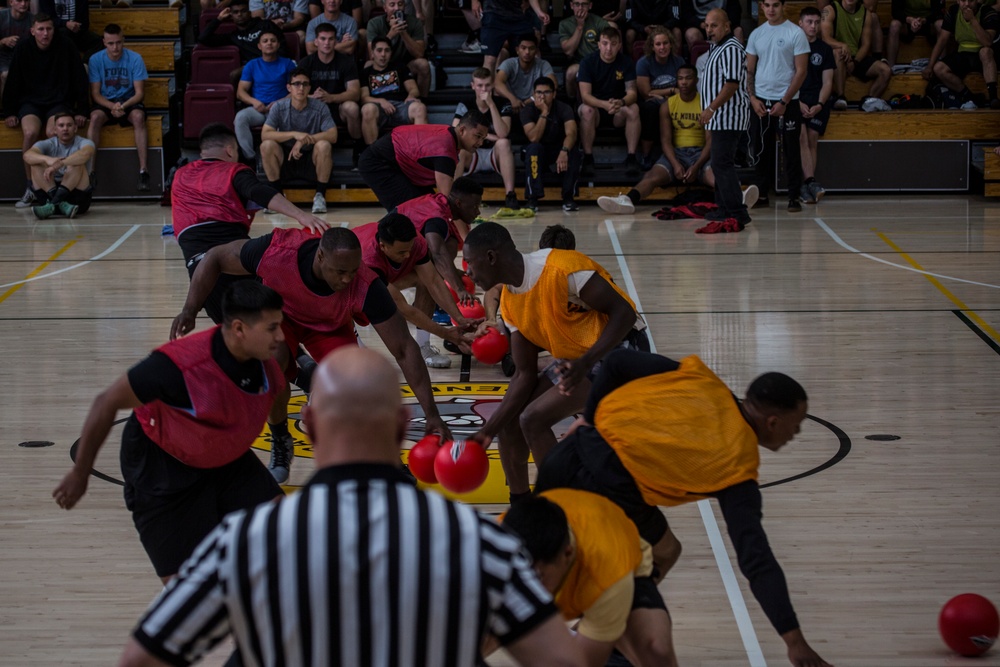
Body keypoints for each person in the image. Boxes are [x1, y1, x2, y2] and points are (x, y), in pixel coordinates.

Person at [117, 346, 585, 667]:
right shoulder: (481, 541)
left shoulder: (244, 540)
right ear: (404, 426)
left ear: (308, 424)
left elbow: (143, 657)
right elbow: (563, 661)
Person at [534, 347, 833, 667]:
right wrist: (794, 640)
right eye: (796, 424)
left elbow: (619, 361)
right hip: (606, 490)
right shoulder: (737, 468)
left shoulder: (702, 380)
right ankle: (601, 633)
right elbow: (755, 558)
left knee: (661, 551)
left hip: (563, 460)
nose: (796, 433)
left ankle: (594, 630)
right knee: (652, 560)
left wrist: (588, 420)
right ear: (773, 421)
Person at [170, 226, 453, 482]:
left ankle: (383, 459)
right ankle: (281, 437)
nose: (346, 279)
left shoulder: (365, 284)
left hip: (329, 328)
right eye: (339, 271)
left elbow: (404, 348)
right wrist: (190, 309)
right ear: (320, 257)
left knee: (356, 386)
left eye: (352, 271)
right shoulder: (276, 251)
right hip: (280, 320)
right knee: (273, 365)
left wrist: (432, 413)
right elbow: (216, 257)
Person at [53, 282, 288, 583]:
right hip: (163, 466)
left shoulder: (269, 363)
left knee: (290, 528)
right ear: (239, 329)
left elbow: (277, 396)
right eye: (272, 328)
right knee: (186, 589)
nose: (281, 336)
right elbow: (106, 401)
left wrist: (282, 433)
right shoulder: (179, 367)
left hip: (223, 455)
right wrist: (80, 473)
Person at [462, 221, 647, 502]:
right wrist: (487, 431)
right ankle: (522, 508)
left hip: (621, 350)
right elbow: (523, 375)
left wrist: (586, 362)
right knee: (510, 424)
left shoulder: (563, 267)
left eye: (469, 263)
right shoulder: (510, 302)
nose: (468, 272)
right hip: (578, 359)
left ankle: (562, 505)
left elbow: (625, 313)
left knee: (532, 419)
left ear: (490, 257)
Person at [171, 123, 329, 324]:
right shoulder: (233, 170)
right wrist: (301, 215)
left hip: (201, 279)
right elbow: (259, 192)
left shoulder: (179, 175)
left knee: (243, 335)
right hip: (236, 257)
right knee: (294, 274)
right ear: (230, 150)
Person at [502, 490, 676, 667]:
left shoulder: (608, 572)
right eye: (522, 576)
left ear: (567, 554)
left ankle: (612, 639)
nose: (530, 586)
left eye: (538, 577)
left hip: (612, 571)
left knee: (657, 651)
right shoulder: (489, 551)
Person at [355, 214, 477, 368]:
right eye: (401, 253)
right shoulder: (368, 259)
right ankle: (354, 341)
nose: (407, 255)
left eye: (409, 250)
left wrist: (460, 319)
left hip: (384, 274)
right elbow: (404, 309)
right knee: (361, 362)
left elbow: (433, 281)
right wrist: (447, 334)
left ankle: (423, 345)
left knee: (424, 280)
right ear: (383, 246)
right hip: (349, 287)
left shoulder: (415, 242)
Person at [598, 64, 718, 215]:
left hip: (700, 154)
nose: (684, 82)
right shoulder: (668, 105)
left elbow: (710, 141)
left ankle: (737, 197)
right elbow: (665, 141)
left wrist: (697, 165)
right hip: (676, 154)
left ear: (696, 80)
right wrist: (675, 164)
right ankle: (627, 201)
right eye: (680, 79)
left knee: (714, 176)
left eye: (688, 78)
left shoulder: (706, 104)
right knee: (652, 176)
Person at [389, 177, 484, 356]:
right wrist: (459, 289)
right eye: (474, 206)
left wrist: (452, 273)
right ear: (458, 203)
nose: (477, 212)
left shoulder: (441, 206)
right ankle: (421, 345)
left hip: (396, 261)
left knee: (439, 264)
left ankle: (422, 342)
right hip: (378, 267)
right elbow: (437, 252)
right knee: (430, 278)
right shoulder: (437, 217)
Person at [2, 14, 88, 209]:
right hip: (30, 103)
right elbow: (13, 81)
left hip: (58, 101)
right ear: (32, 31)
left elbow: (79, 78)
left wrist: (82, 109)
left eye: (48, 29)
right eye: (40, 29)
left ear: (54, 30)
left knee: (52, 133)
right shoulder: (23, 48)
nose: (45, 33)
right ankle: (31, 187)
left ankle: (56, 189)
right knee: (31, 133)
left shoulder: (66, 46)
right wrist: (9, 112)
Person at [747, 0, 810, 213]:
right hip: (761, 101)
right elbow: (749, 71)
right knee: (761, 149)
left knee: (791, 150)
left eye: (775, 4)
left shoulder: (795, 33)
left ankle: (794, 196)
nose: (771, 9)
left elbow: (801, 71)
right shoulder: (756, 34)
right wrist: (753, 99)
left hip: (788, 101)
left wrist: (784, 101)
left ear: (783, 6)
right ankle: (761, 194)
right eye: (766, 5)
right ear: (761, 6)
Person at [358, 112, 489, 210]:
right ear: (462, 130)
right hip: (378, 163)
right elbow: (447, 201)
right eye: (477, 136)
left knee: (430, 208)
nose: (481, 143)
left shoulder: (450, 137)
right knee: (414, 212)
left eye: (483, 138)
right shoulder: (445, 151)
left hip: (400, 163)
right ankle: (379, 243)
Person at [698, 9, 752, 229]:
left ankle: (738, 212)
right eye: (707, 26)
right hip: (720, 117)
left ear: (727, 26)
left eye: (714, 26)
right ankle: (723, 207)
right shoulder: (717, 47)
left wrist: (711, 108)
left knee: (722, 164)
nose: (710, 30)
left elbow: (731, 84)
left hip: (728, 117)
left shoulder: (731, 48)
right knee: (719, 164)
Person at [260, 67, 338, 214]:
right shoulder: (278, 107)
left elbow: (332, 135)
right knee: (267, 145)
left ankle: (320, 195)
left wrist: (303, 140)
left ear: (309, 87)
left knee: (324, 145)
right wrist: (294, 135)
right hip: (286, 158)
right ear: (289, 87)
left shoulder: (320, 107)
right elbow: (265, 134)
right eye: (296, 84)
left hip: (310, 159)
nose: (300, 88)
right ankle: (277, 197)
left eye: (305, 84)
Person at [87, 23, 150, 191]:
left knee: (138, 117)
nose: (115, 47)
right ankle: (90, 171)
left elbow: (139, 93)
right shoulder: (95, 60)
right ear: (104, 42)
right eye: (110, 43)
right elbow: (95, 94)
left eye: (118, 43)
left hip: (128, 101)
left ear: (123, 40)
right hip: (106, 102)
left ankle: (144, 170)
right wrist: (112, 106)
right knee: (94, 118)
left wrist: (122, 105)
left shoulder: (135, 58)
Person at [577, 27, 641, 177]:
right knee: (586, 110)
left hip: (618, 109)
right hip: (597, 109)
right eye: (605, 43)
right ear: (598, 44)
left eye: (613, 44)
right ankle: (587, 158)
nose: (609, 48)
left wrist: (621, 102)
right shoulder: (587, 62)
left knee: (634, 108)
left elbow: (632, 92)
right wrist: (604, 104)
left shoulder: (626, 62)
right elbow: (585, 96)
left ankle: (631, 157)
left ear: (619, 45)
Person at [453, 67, 520, 210]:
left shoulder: (503, 102)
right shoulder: (465, 104)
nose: (484, 89)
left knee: (503, 143)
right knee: (459, 148)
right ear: (473, 86)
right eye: (479, 85)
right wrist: (486, 136)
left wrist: (491, 104)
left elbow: (503, 133)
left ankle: (510, 194)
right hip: (472, 152)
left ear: (493, 85)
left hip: (493, 154)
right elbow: (456, 131)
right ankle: (454, 196)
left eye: (487, 85)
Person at [520, 76, 582, 212]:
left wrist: (564, 150)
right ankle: (532, 198)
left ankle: (568, 197)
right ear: (533, 94)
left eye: (546, 92)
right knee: (533, 149)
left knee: (574, 152)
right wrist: (544, 112)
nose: (542, 96)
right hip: (537, 149)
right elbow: (534, 138)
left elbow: (572, 133)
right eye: (539, 93)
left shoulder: (564, 108)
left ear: (554, 94)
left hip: (558, 149)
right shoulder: (528, 110)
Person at [235, 27, 298, 160]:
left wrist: (280, 102)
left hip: (281, 108)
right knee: (240, 118)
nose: (269, 43)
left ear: (278, 44)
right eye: (265, 41)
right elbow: (240, 92)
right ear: (259, 46)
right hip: (258, 109)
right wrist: (254, 102)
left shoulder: (288, 64)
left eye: (273, 41)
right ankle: (250, 158)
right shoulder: (252, 65)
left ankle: (282, 157)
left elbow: (297, 90)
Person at [924, 0, 999, 109]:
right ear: (958, 1)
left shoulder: (988, 12)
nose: (967, 4)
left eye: (971, 0)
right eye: (963, 0)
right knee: (938, 68)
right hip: (963, 53)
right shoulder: (953, 11)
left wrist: (973, 20)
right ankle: (970, 97)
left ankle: (993, 98)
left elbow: (987, 42)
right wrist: (930, 66)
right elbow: (942, 40)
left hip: (983, 55)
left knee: (985, 51)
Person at [297, 22, 363, 146]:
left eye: (331, 39)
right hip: (312, 107)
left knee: (352, 108)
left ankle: (358, 147)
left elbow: (355, 93)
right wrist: (314, 97)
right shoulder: (305, 63)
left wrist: (331, 98)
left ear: (335, 41)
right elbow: (295, 92)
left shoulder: (347, 62)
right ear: (316, 41)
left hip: (337, 107)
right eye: (323, 39)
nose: (327, 43)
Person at [21, 110, 94, 219]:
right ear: (55, 130)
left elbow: (86, 153)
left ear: (75, 128)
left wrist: (60, 164)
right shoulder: (47, 143)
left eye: (69, 125)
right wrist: (47, 159)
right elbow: (27, 155)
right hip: (48, 196)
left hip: (77, 201)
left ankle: (54, 203)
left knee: (77, 162)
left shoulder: (84, 142)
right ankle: (59, 203)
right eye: (61, 125)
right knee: (35, 163)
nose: (65, 128)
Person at [821, 0, 893, 110]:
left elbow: (866, 44)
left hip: (856, 55)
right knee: (838, 52)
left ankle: (869, 100)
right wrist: (842, 45)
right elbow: (825, 38)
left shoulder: (866, 13)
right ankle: (840, 96)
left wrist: (855, 62)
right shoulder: (830, 9)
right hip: (837, 54)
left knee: (886, 70)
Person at [359, 35, 428, 146]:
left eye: (387, 50)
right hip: (379, 109)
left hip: (400, 106)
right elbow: (364, 98)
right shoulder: (365, 73)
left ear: (391, 53)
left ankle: (419, 151)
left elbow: (414, 89)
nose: (383, 54)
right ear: (372, 53)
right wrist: (381, 101)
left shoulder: (400, 67)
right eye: (379, 50)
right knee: (367, 109)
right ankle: (372, 153)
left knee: (420, 108)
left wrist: (411, 95)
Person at [798, 6, 835, 204]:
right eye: (809, 22)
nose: (813, 26)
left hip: (818, 101)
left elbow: (828, 81)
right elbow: (787, 78)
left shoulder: (825, 49)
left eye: (816, 22)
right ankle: (810, 183)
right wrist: (798, 101)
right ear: (800, 24)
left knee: (812, 138)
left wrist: (820, 104)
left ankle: (806, 185)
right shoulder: (793, 47)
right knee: (801, 137)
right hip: (797, 100)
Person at [635, 26, 685, 164]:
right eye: (658, 44)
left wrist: (662, 93)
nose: (662, 47)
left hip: (673, 102)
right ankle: (646, 156)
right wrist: (671, 91)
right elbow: (646, 93)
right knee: (650, 109)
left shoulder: (679, 62)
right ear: (652, 47)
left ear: (671, 44)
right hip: (651, 104)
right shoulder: (643, 63)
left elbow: (684, 89)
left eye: (665, 43)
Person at [198, 0, 288, 69]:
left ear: (249, 13)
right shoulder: (233, 36)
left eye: (243, 11)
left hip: (274, 64)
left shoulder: (265, 25)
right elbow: (203, 38)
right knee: (236, 74)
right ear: (231, 15)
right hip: (254, 70)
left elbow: (283, 49)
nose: (240, 14)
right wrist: (219, 19)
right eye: (236, 12)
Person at [366, 0, 430, 96]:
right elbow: (372, 55)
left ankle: (421, 102)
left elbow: (419, 53)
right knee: (368, 65)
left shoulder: (415, 23)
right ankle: (372, 102)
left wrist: (403, 32)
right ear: (385, 8)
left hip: (406, 66)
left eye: (400, 4)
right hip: (383, 65)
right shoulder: (374, 23)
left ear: (404, 6)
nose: (397, 8)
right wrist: (390, 35)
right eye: (392, 5)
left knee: (423, 64)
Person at [475, 0, 549, 74]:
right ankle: (485, 85)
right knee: (490, 59)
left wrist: (539, 11)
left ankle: (535, 83)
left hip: (517, 15)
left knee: (529, 50)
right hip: (493, 14)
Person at [495, 32, 557, 114]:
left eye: (531, 48)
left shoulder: (543, 64)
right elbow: (497, 83)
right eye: (523, 48)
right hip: (511, 103)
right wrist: (513, 99)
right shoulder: (509, 63)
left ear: (536, 51)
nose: (527, 52)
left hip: (535, 103)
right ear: (517, 50)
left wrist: (532, 99)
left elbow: (553, 85)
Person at [559, 0, 610, 100]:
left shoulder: (600, 22)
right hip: (579, 63)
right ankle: (573, 102)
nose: (580, 7)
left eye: (584, 4)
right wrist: (580, 26)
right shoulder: (564, 24)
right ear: (571, 5)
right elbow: (568, 51)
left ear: (590, 5)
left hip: (599, 61)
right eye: (577, 4)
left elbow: (607, 47)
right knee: (570, 73)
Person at [887, 0, 943, 66]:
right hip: (907, 21)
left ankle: (941, 65)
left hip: (929, 21)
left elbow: (939, 12)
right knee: (894, 25)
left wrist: (923, 20)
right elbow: (895, 12)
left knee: (941, 25)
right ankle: (890, 66)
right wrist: (910, 20)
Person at [38, 0, 102, 57]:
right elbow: (46, 19)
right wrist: (65, 24)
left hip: (76, 31)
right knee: (64, 35)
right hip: (56, 31)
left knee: (99, 42)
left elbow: (85, 22)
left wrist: (77, 26)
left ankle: (83, 64)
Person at [678, 0, 743, 56]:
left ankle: (735, 61)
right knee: (691, 34)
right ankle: (700, 64)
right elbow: (686, 15)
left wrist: (721, 24)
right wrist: (701, 24)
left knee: (738, 31)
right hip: (699, 25)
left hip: (722, 24)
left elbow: (735, 12)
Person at [0, 0, 32, 100]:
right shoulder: (1, 16)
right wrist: (3, 41)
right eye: (19, 0)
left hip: (24, 56)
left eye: (26, 1)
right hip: (3, 56)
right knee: (6, 74)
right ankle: (6, 109)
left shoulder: (33, 19)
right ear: (11, 2)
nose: (23, 4)